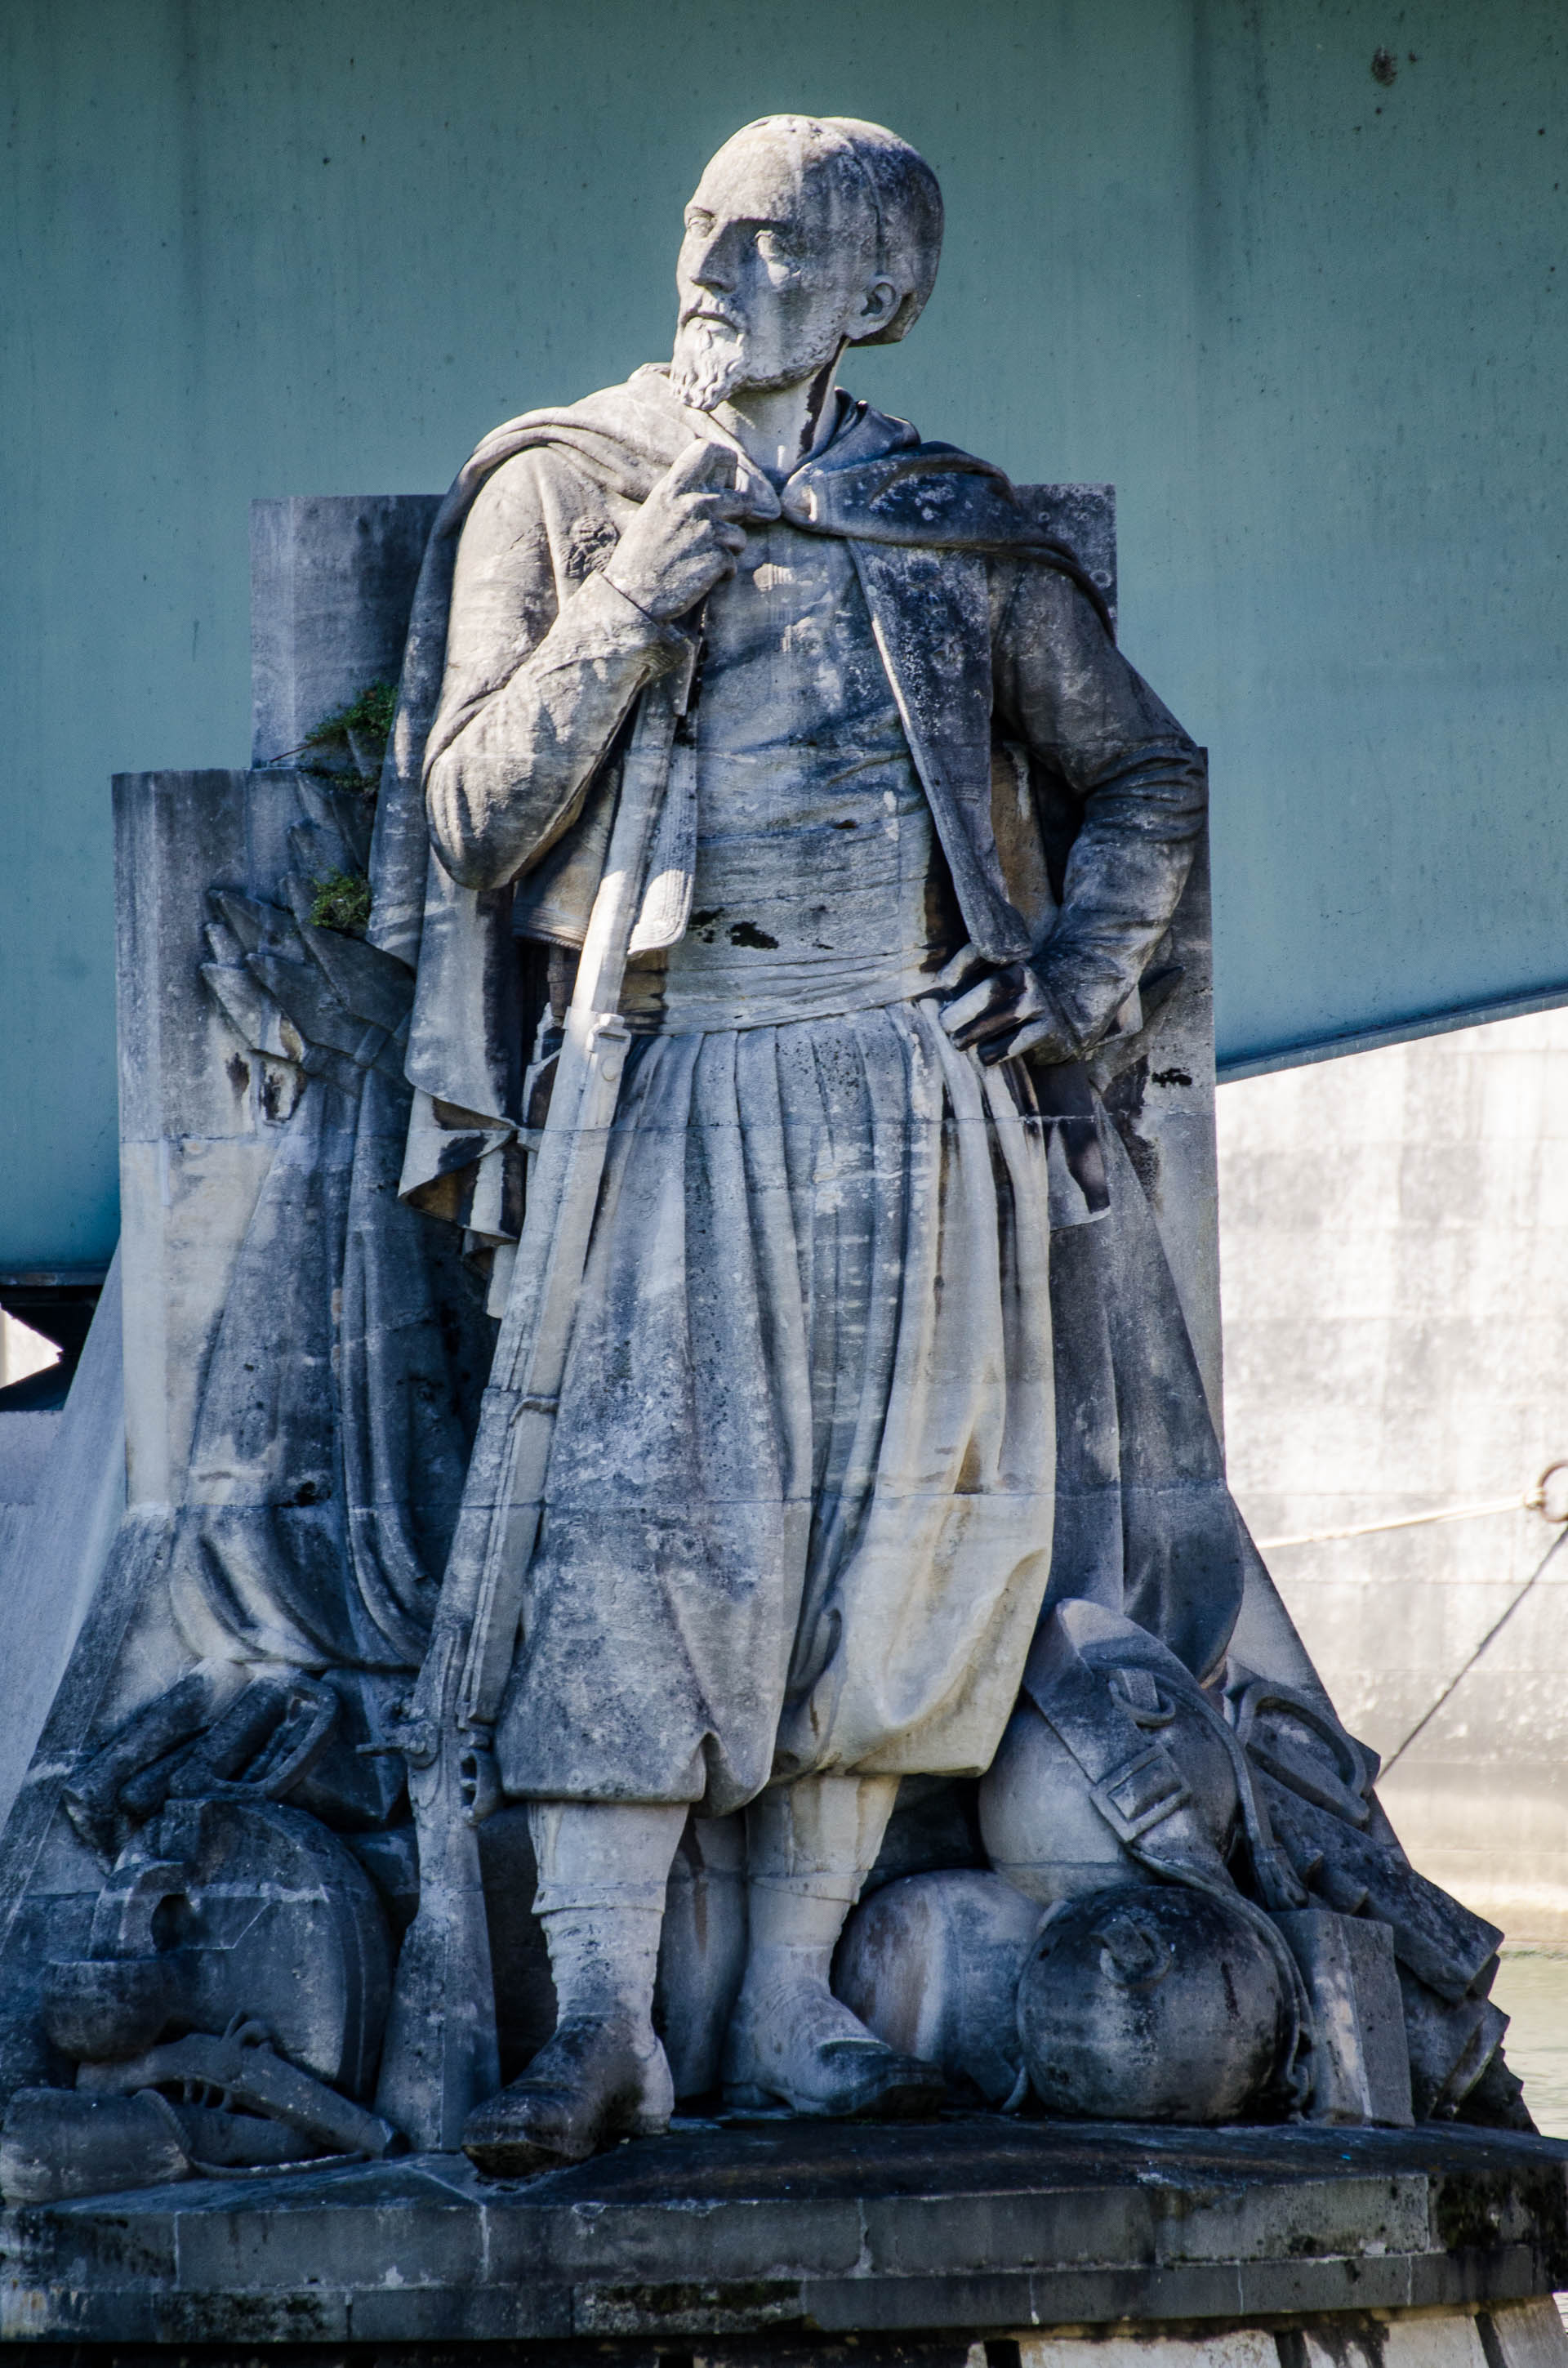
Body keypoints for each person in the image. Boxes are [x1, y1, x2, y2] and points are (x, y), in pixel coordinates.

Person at [384, 114, 1211, 2172]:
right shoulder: (567, 484)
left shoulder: (947, 524)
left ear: (874, 292)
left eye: (767, 243)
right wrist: (636, 596)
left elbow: (1142, 771)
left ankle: (786, 1997)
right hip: (667, 1081)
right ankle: (593, 2020)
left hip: (909, 1102)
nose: (714, 262)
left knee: (891, 1554)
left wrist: (1072, 970)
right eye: (704, 225)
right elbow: (469, 810)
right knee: (636, 1539)